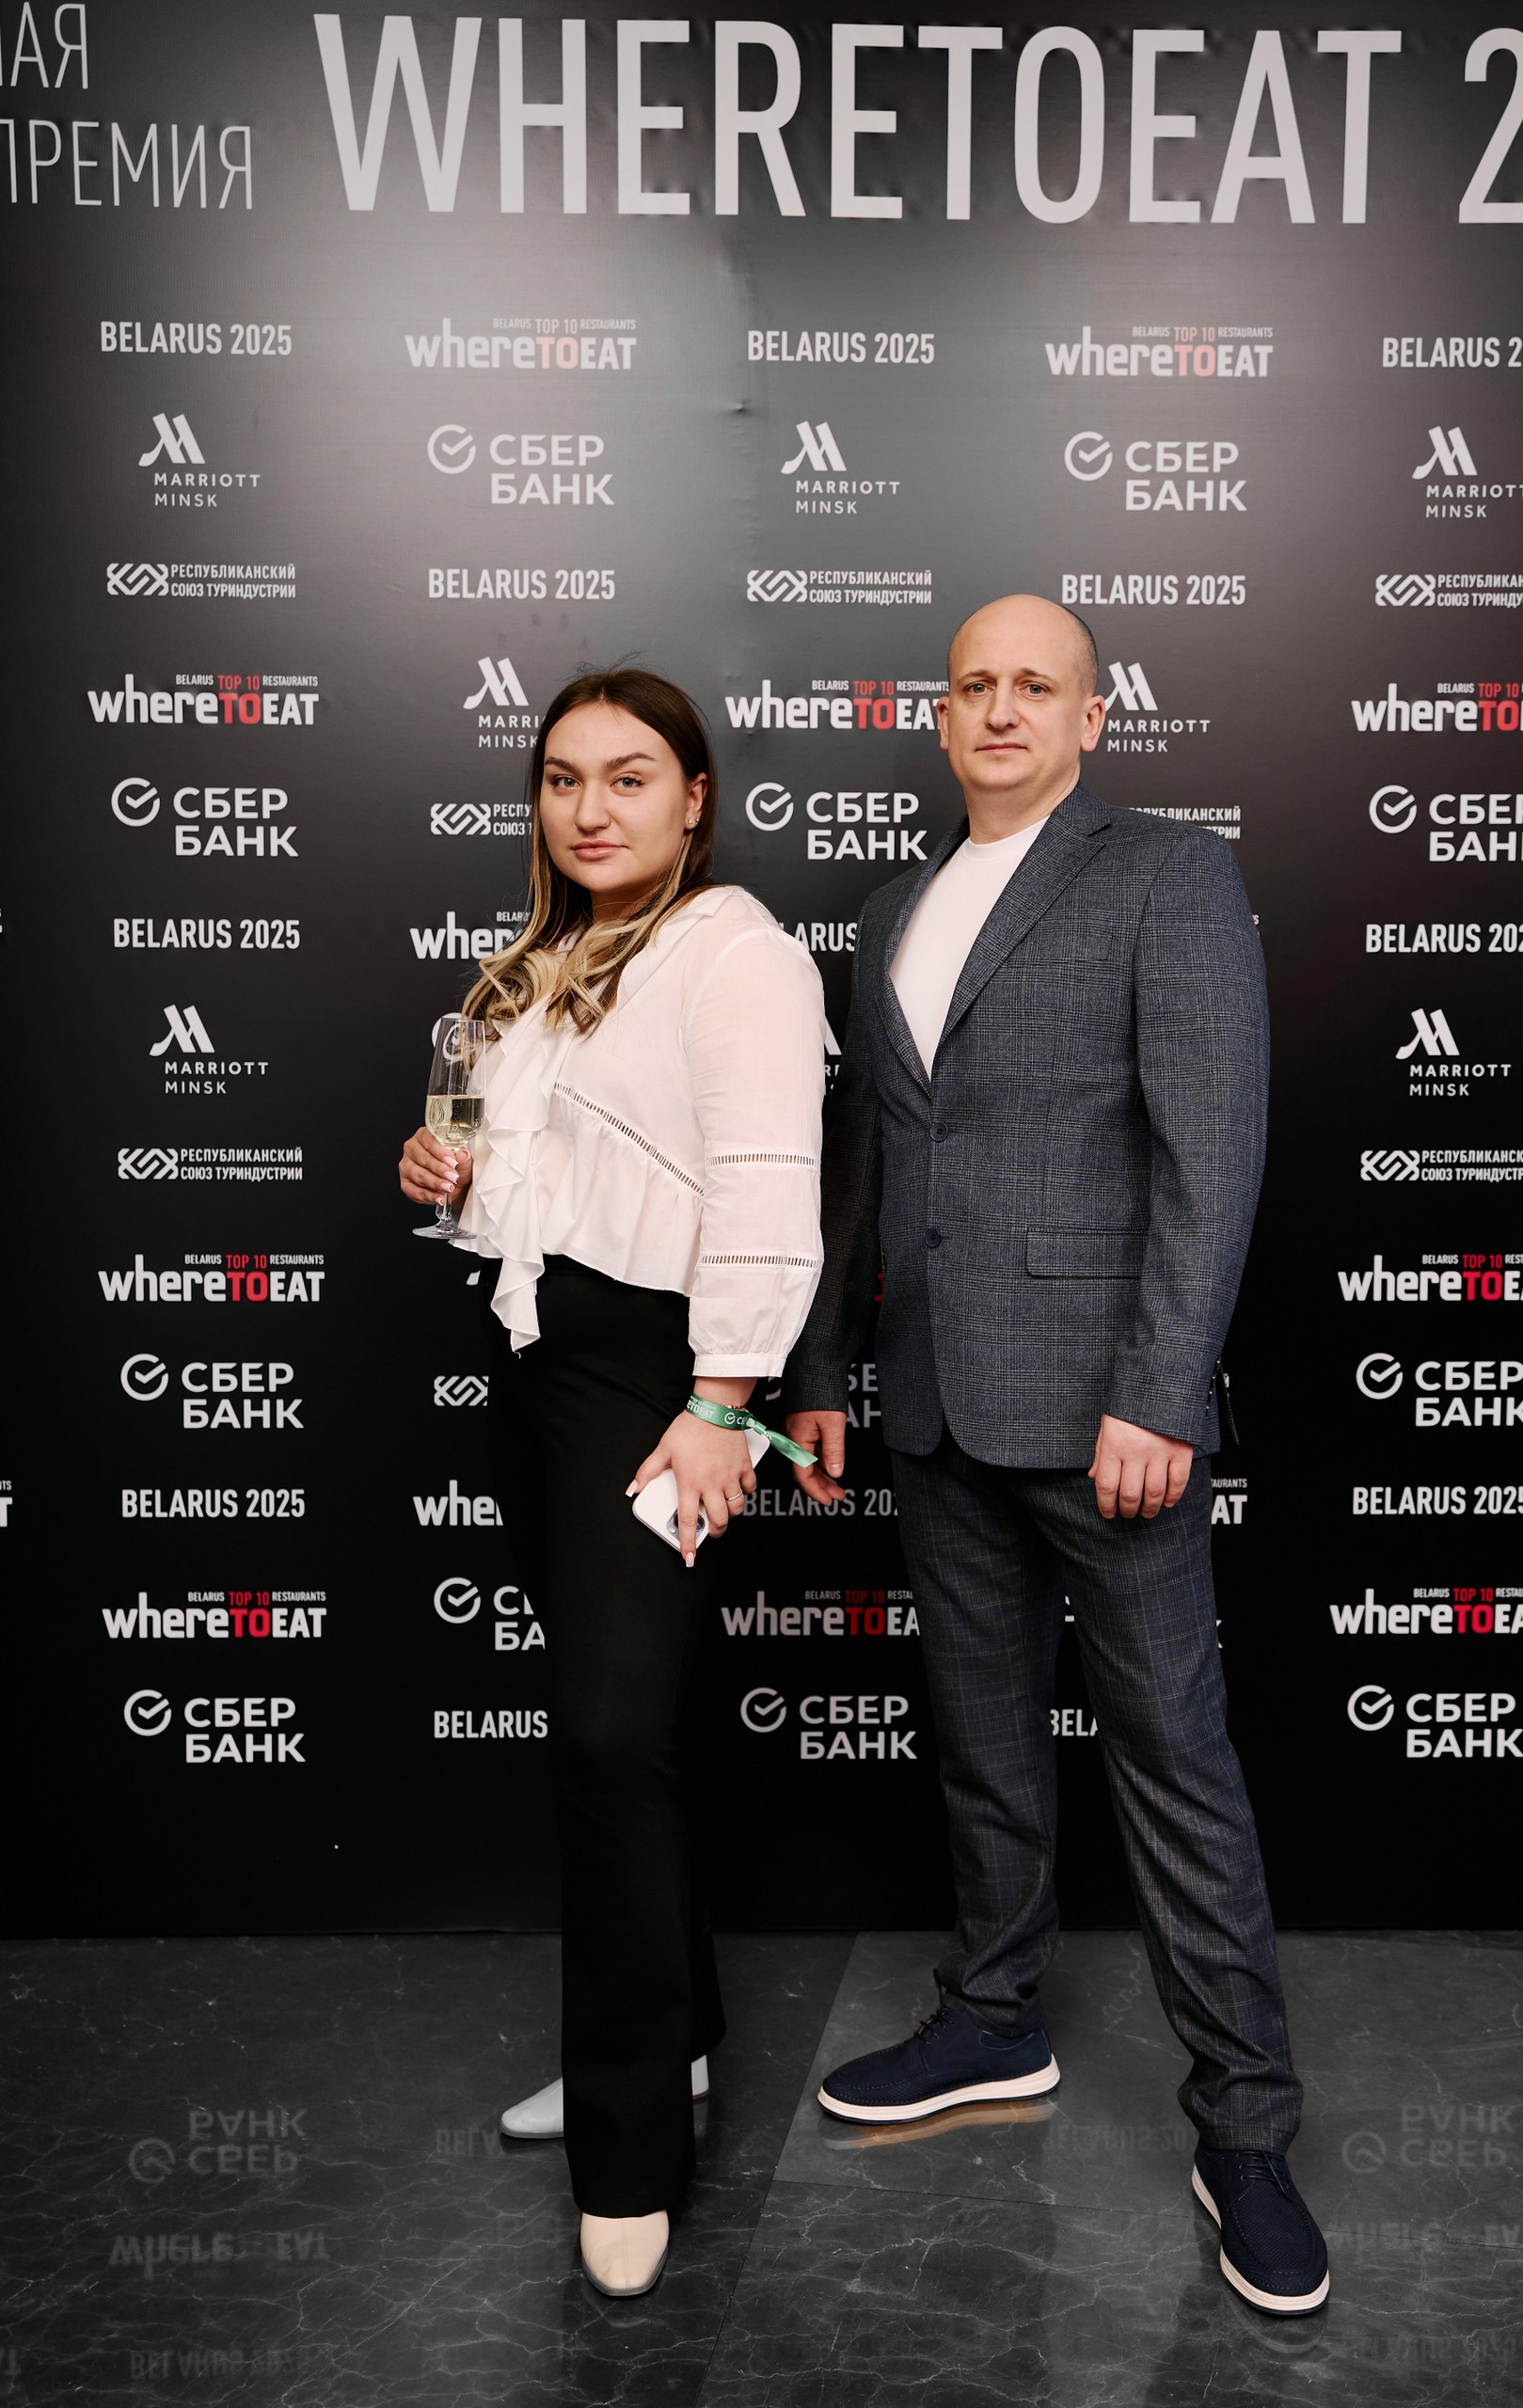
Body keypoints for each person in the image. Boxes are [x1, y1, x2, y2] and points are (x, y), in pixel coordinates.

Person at [781, 594, 1328, 2317]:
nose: (1003, 709)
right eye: (976, 686)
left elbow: (1212, 1145)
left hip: (1108, 1417)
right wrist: (826, 1368)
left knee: (1174, 1761)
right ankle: (994, 2017)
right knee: (982, 1737)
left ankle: (1245, 2127)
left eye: (1039, 686)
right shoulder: (892, 911)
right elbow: (870, 1159)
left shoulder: (1168, 873)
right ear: (941, 718)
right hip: (934, 1401)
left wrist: (1162, 1391)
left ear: (1094, 717)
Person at [398, 668, 828, 2299]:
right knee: (628, 1739)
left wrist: (725, 1402)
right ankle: (678, 2039)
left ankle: (632, 2148)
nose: (591, 808)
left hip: (656, 1384)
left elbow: (769, 1190)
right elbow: (544, 1188)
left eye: (630, 776)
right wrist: (451, 1181)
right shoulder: (538, 966)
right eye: (564, 778)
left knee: (610, 1741)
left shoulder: (736, 955)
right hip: (540, 1369)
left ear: (695, 798)